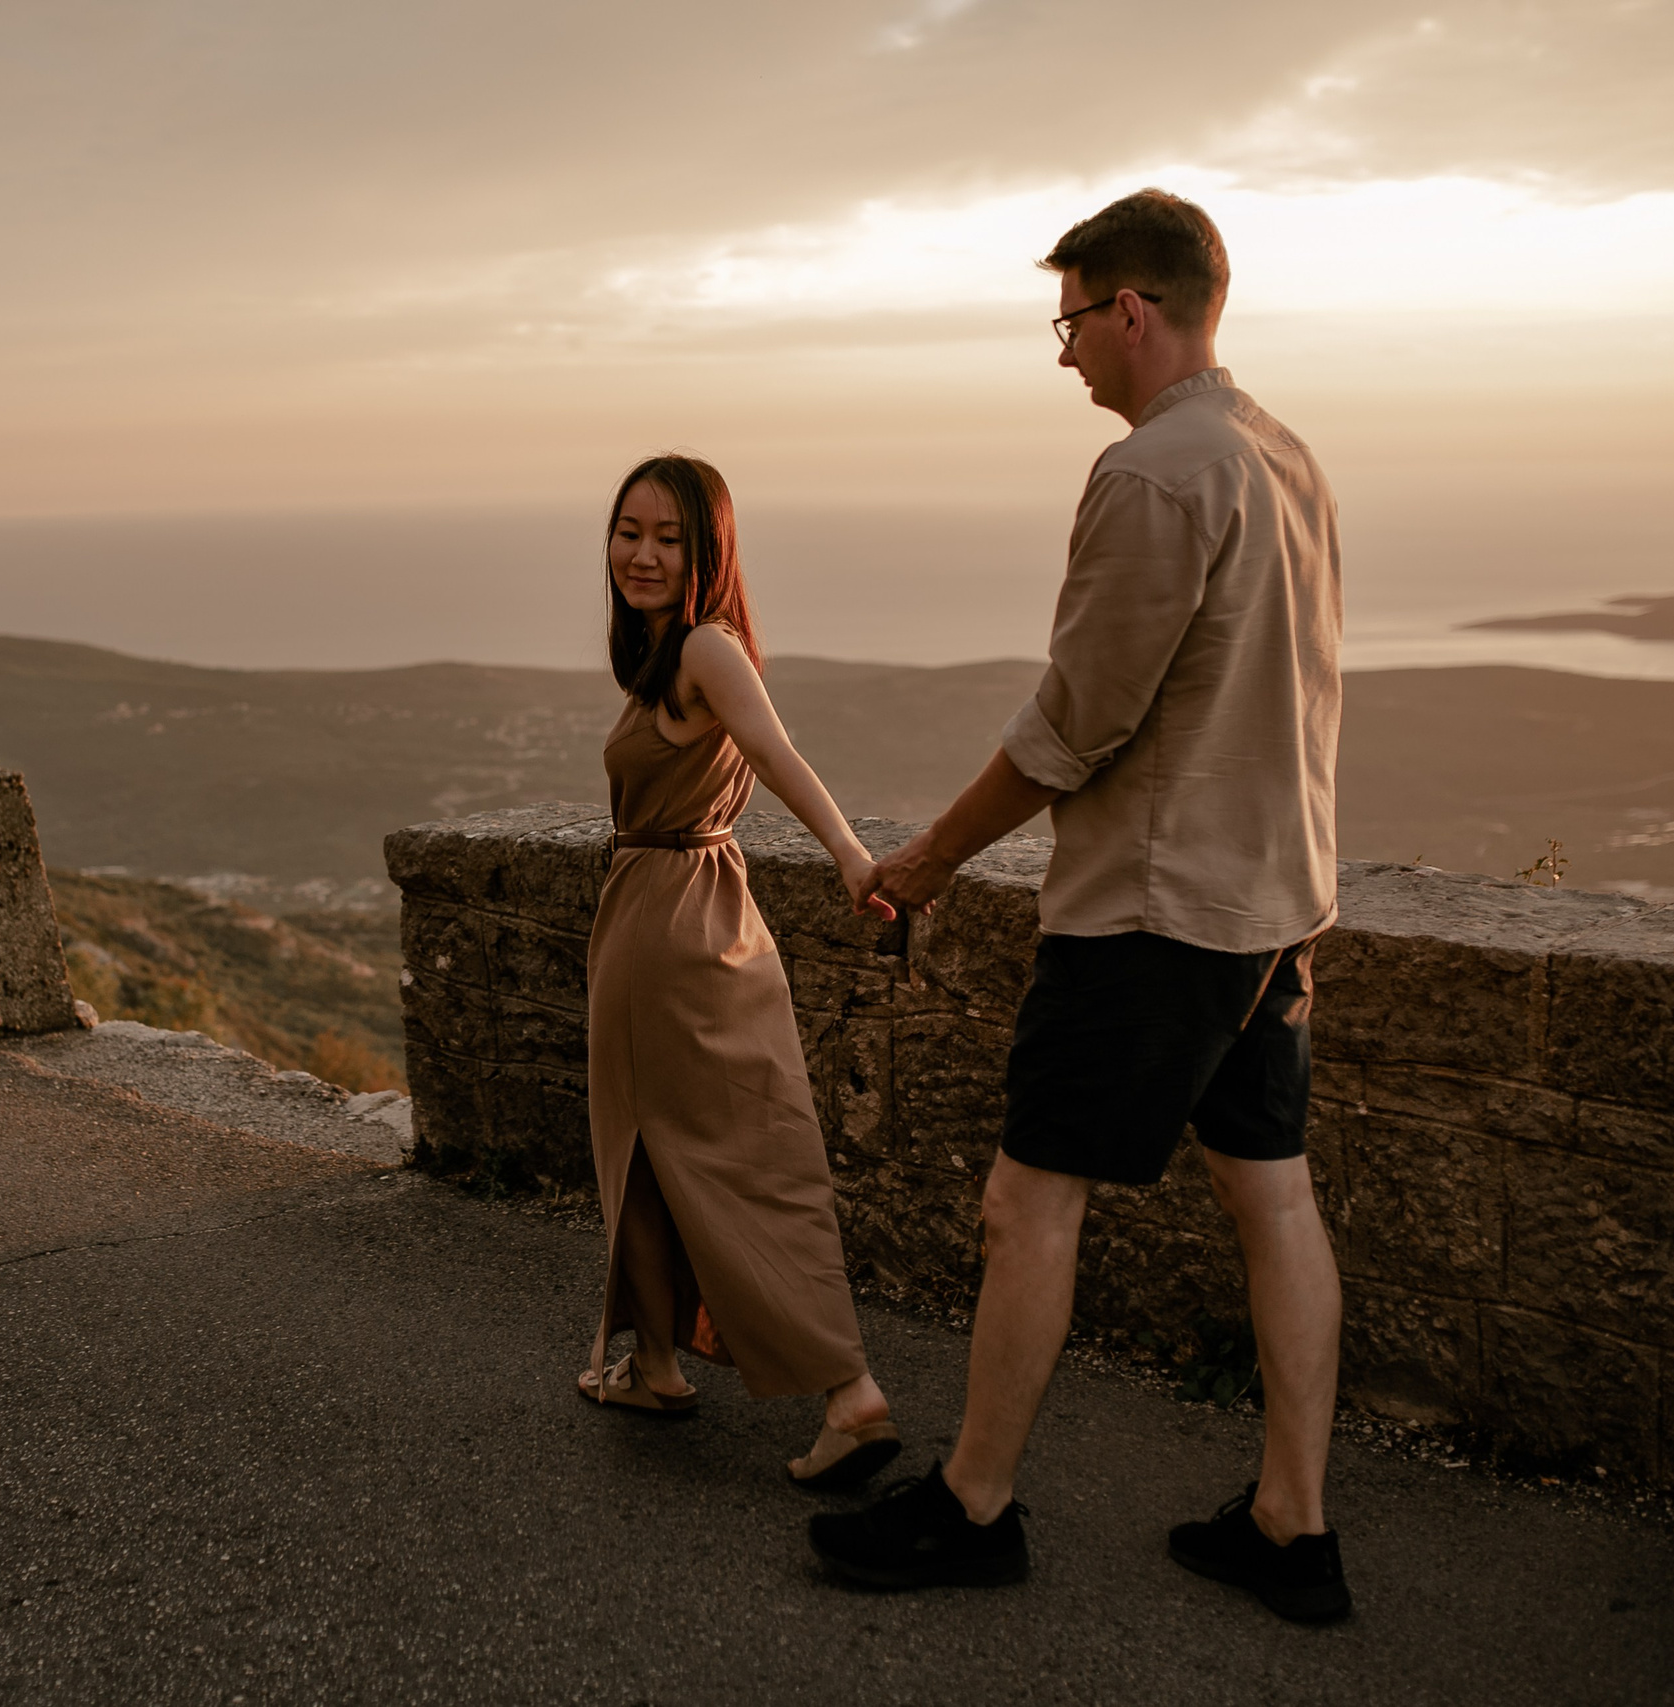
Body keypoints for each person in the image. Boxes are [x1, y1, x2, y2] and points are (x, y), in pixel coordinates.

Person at [808, 190, 1353, 1624]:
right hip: (1275, 903)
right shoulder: (1284, 457)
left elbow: (1078, 723)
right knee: (1274, 1193)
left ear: (1132, 310)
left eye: (1070, 323)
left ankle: (974, 1504)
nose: (1063, 358)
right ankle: (1293, 1524)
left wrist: (924, 858)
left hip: (1156, 912)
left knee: (1026, 1199)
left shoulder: (1156, 473)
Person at [577, 453, 902, 1492]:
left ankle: (845, 1391)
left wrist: (852, 856)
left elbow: (775, 753)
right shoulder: (675, 650)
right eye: (629, 531)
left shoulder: (705, 649)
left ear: (708, 551)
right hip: (700, 912)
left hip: (666, 923)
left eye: (669, 537)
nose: (642, 553)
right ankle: (659, 1362)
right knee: (675, 1149)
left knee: (726, 1154)